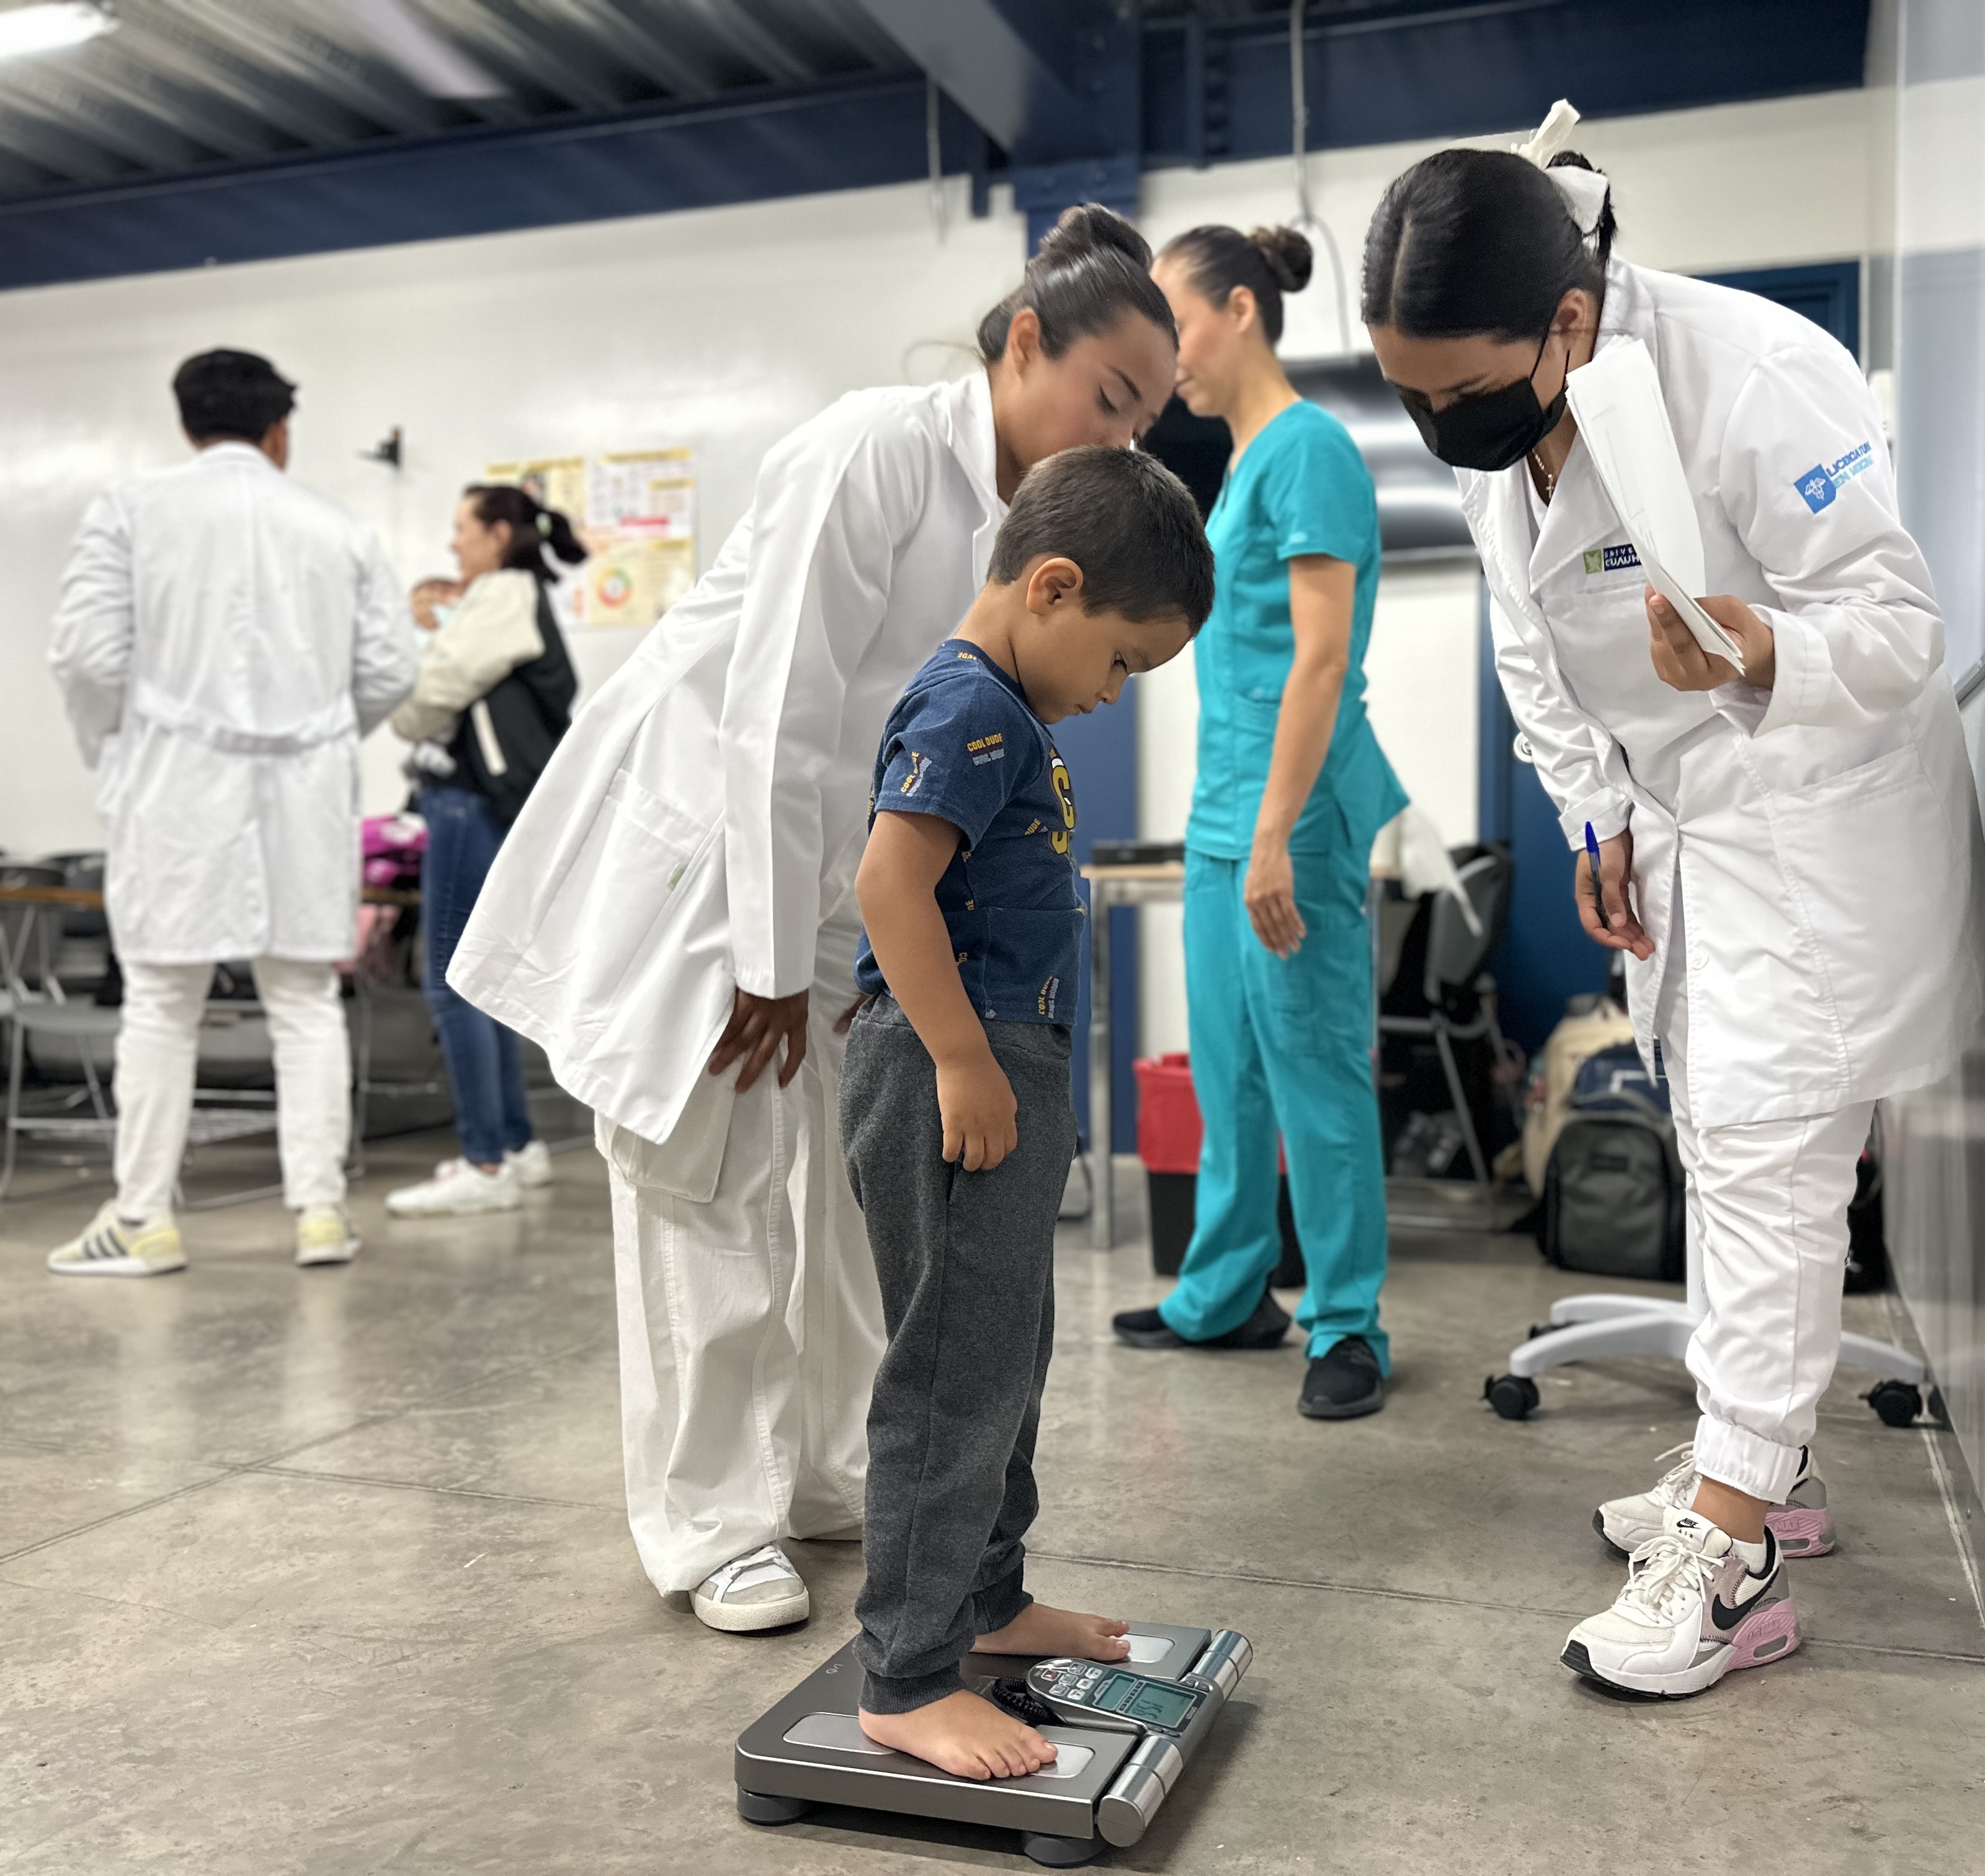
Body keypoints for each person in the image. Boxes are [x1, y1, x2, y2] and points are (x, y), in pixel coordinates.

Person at [447, 207, 1179, 1635]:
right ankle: (711, 1521)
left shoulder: (1035, 520)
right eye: (1109, 397)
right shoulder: (877, 449)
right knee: (703, 1177)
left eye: (1147, 418)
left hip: (837, 873)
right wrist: (771, 970)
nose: (1122, 436)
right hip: (714, 861)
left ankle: (834, 1471)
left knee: (854, 1192)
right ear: (1024, 340)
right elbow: (777, 718)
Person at [1363, 104, 1985, 1699]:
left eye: (1454, 390)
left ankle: (1734, 1553)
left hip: (1814, 810)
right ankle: (1771, 1467)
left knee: (1776, 1147)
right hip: (1681, 826)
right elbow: (1531, 645)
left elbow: (1900, 621)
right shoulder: (1517, 432)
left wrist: (1762, 648)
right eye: (1408, 394)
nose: (1439, 424)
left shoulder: (1755, 370)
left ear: (1567, 320)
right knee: (1717, 1129)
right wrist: (1589, 811)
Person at [845, 445, 1212, 1777]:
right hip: (956, 1067)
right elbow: (892, 889)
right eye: (1122, 661)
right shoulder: (971, 710)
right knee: (950, 1374)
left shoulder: (1010, 712)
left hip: (1000, 1063)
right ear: (1053, 589)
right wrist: (959, 1060)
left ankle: (986, 1602)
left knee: (1005, 1356)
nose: (1116, 694)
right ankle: (906, 1672)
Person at [1109, 224, 1409, 1421]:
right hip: (1223, 814)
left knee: (1315, 1073)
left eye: (1173, 323)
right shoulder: (1239, 469)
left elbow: (1323, 659)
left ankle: (1348, 1322)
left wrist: (1278, 829)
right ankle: (1224, 1289)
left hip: (1296, 817)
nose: (1162, 354)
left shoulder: (1312, 451)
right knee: (1227, 1069)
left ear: (1239, 310)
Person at [45, 349, 416, 1278]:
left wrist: (125, 746)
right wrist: (318, 734)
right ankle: (322, 1215)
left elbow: (87, 656)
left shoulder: (130, 510)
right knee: (302, 1002)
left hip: (175, 786)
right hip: (305, 792)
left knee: (164, 1005)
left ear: (186, 424)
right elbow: (391, 671)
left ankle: (143, 1220)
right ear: (279, 430)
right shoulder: (337, 527)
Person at [383, 485, 583, 1217]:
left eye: (461, 528)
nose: (453, 544)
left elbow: (425, 697)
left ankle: (486, 1159)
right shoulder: (510, 593)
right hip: (490, 805)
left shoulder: (502, 591)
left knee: (451, 981)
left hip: (468, 803)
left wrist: (410, 676)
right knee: (483, 976)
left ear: (500, 535)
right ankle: (516, 1146)